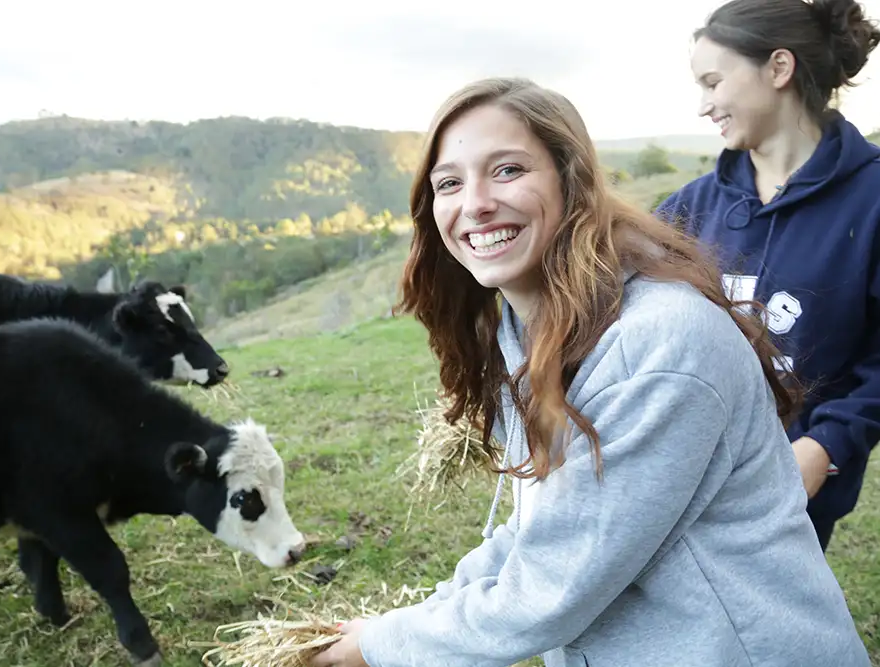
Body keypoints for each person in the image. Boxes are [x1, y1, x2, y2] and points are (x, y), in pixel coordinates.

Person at [308, 76, 870, 667]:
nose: (474, 203)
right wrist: (406, 622)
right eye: (449, 183)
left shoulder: (661, 345)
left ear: (570, 178)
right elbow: (544, 528)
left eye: (507, 170)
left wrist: (378, 649)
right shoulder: (535, 333)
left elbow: (554, 588)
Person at [655, 0, 880, 553]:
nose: (704, 106)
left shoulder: (873, 201)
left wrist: (824, 447)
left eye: (713, 81)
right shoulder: (686, 211)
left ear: (779, 69)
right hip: (676, 478)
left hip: (792, 495)